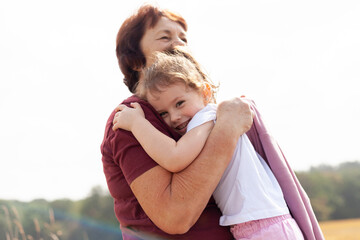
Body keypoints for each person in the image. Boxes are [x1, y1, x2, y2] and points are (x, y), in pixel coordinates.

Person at [112, 49, 305, 239]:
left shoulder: (206, 117)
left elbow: (174, 157)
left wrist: (137, 124)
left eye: (179, 103)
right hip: (259, 223)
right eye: (163, 113)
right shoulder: (208, 122)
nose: (175, 117)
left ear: (205, 92)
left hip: (264, 226)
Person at [101, 4, 253, 240]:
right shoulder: (131, 117)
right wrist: (227, 129)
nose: (180, 44)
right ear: (135, 60)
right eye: (165, 37)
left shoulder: (195, 114)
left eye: (183, 38)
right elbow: (175, 216)